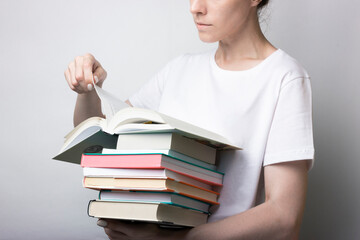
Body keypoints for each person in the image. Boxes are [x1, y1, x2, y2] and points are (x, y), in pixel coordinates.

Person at [64, 0, 315, 239]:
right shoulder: (179, 69)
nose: (195, 8)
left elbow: (284, 219)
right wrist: (87, 91)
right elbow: (102, 139)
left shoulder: (284, 78)